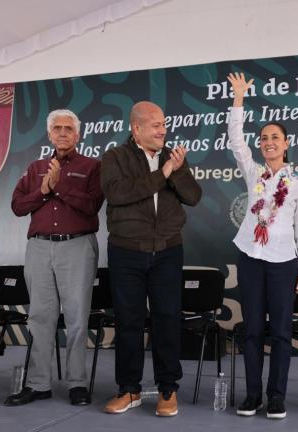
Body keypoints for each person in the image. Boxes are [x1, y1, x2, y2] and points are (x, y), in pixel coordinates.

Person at [100, 101, 201, 417]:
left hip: (168, 251)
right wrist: (164, 173)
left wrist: (176, 171)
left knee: (167, 320)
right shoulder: (115, 157)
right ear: (136, 128)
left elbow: (193, 197)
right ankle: (128, 389)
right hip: (126, 252)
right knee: (128, 322)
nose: (162, 130)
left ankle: (168, 389)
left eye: (164, 124)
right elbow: (119, 194)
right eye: (156, 125)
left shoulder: (173, 157)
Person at [226, 73, 298, 419]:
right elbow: (236, 142)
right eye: (263, 138)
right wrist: (238, 100)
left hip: (282, 262)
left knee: (280, 332)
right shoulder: (254, 175)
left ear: (286, 144)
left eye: (275, 137)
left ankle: (276, 397)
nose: (268, 142)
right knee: (251, 331)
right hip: (250, 257)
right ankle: (252, 396)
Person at [6, 109, 104, 407]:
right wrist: (44, 189)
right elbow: (18, 206)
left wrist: (58, 185)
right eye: (57, 128)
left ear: (78, 134)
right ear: (49, 134)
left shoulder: (92, 166)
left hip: (76, 246)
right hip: (39, 247)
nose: (62, 133)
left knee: (76, 319)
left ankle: (77, 383)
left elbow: (91, 205)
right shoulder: (35, 168)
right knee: (40, 317)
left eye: (68, 128)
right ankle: (38, 384)